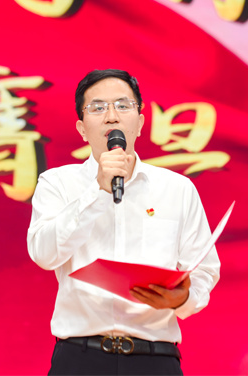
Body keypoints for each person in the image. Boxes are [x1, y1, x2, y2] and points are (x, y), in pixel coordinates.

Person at [27, 69, 220, 375]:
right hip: (80, 358)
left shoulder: (177, 189)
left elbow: (204, 270)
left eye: (123, 105)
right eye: (98, 108)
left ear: (140, 123)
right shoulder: (57, 183)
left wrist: (182, 298)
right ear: (82, 128)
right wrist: (97, 191)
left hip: (155, 358)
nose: (112, 117)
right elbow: (44, 254)